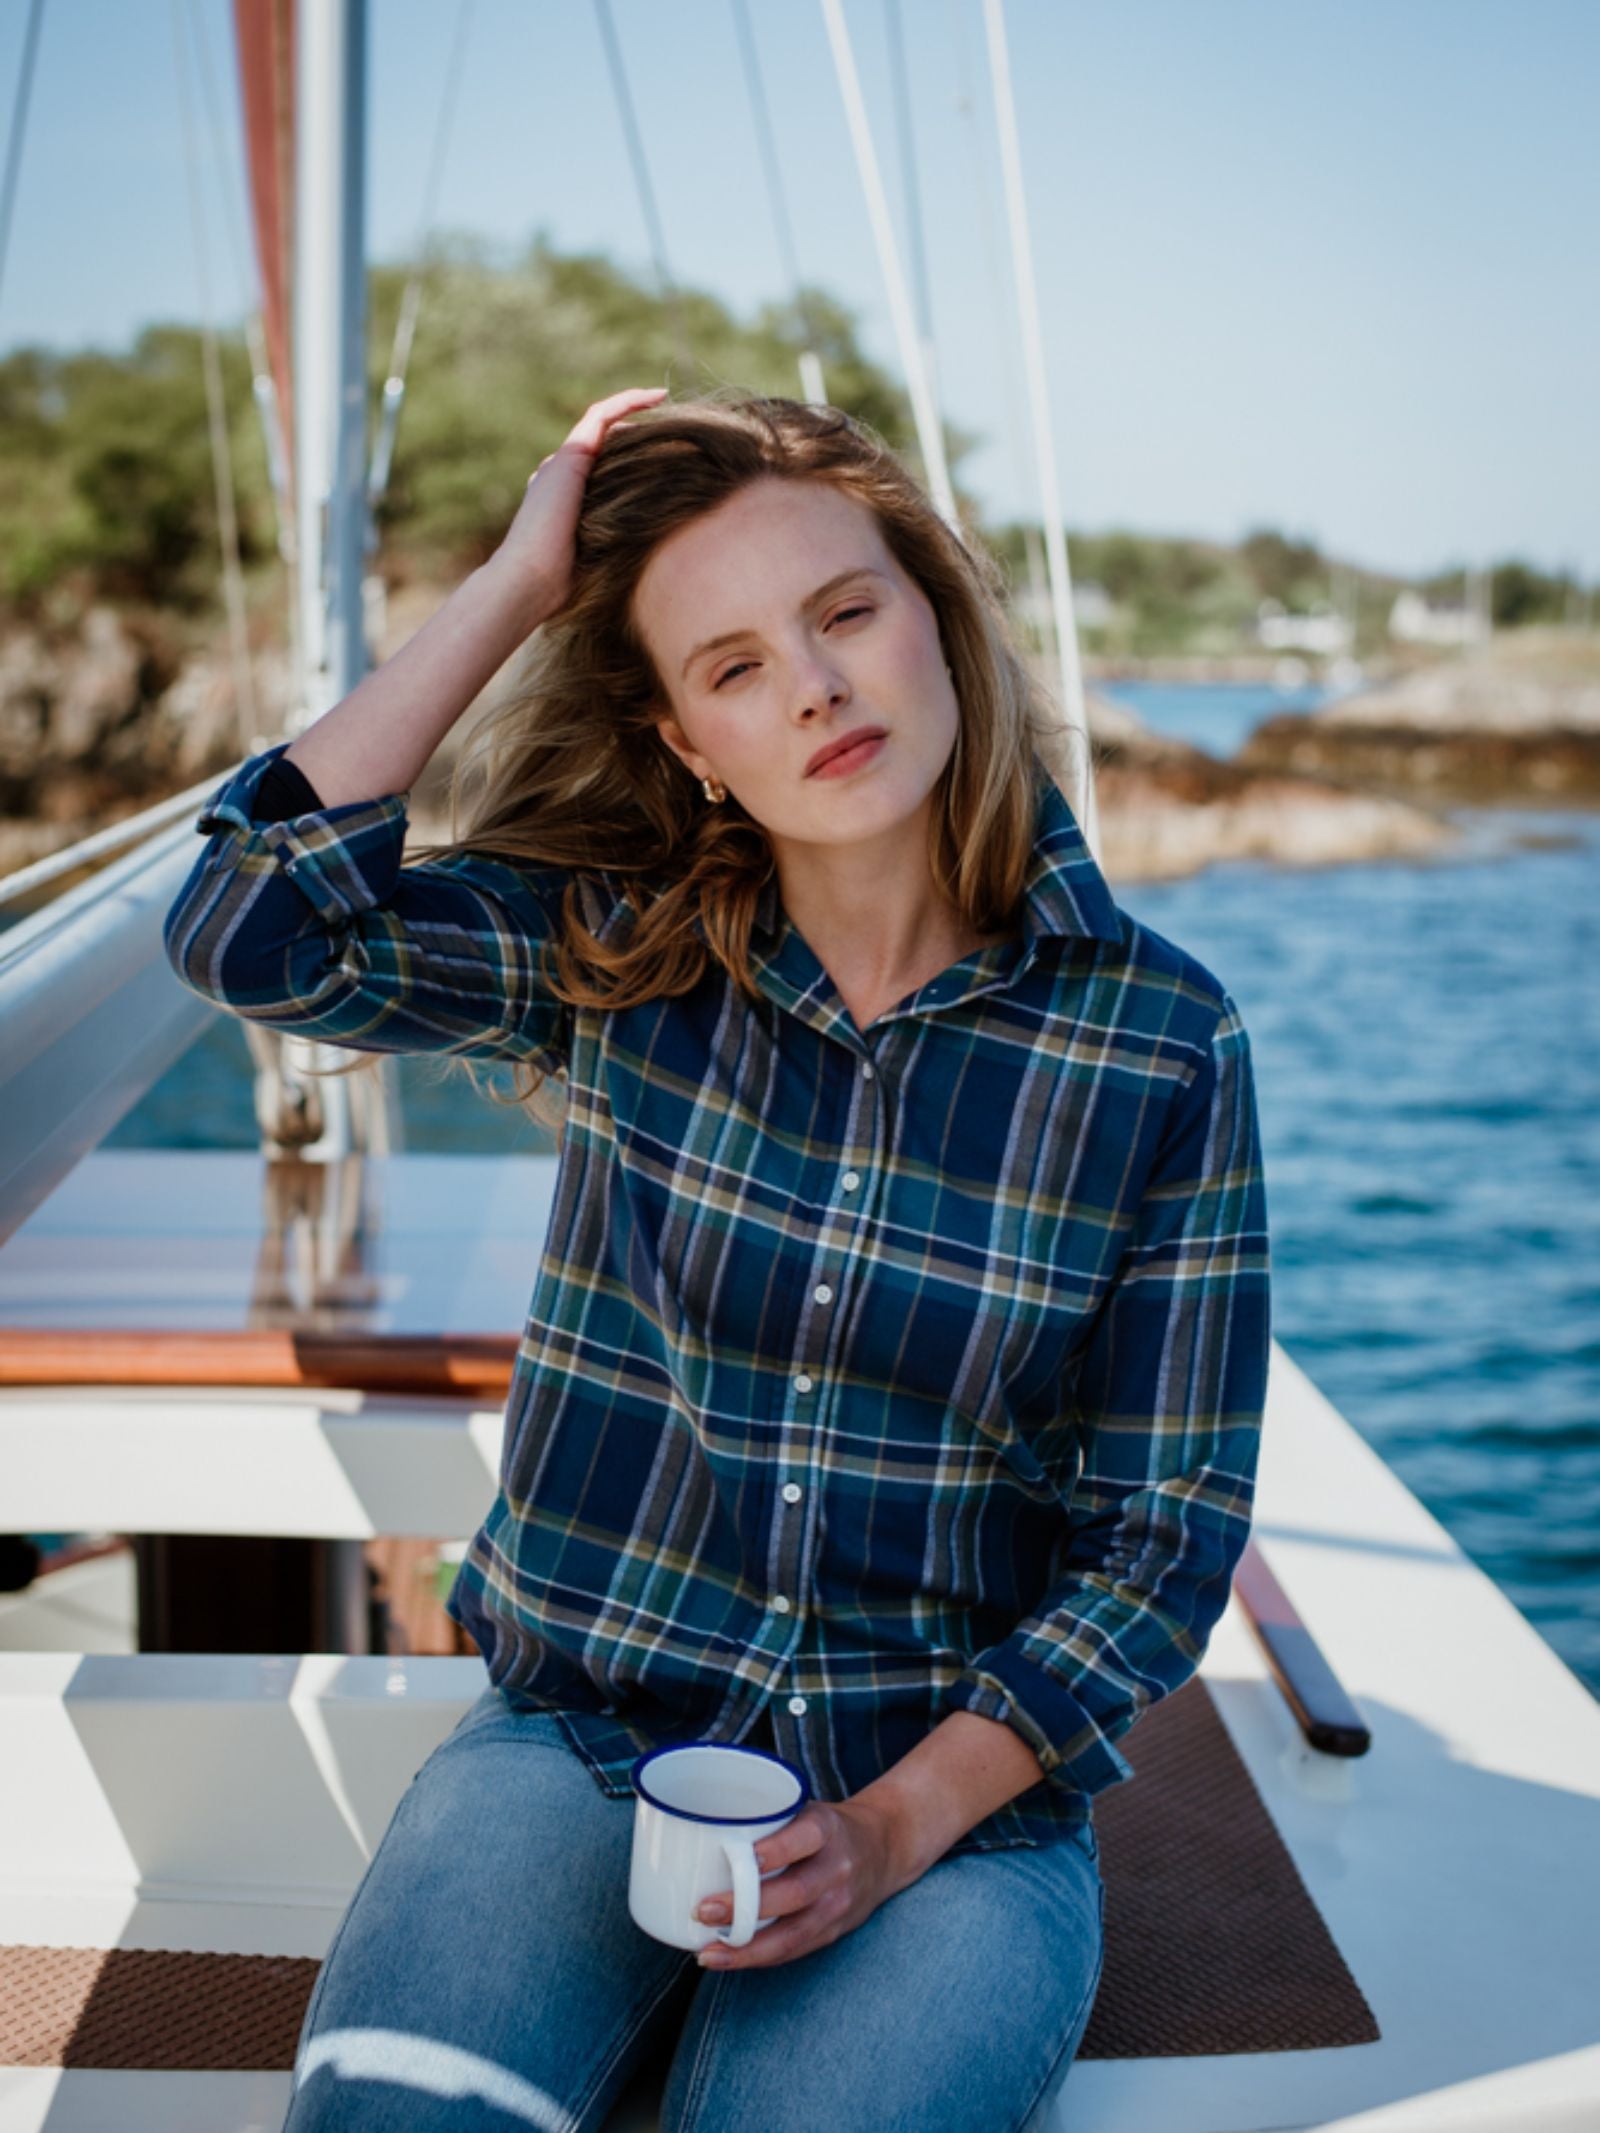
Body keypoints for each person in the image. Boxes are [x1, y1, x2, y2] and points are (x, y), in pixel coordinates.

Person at [164, 387, 1271, 2132]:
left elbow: (1162, 1541)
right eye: (735, 665)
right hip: (585, 1739)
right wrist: (522, 583)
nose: (819, 687)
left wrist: (897, 1823)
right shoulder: (616, 947)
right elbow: (249, 926)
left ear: (934, 615)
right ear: (687, 740)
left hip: (945, 1805)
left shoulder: (1158, 1043)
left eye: (845, 613)